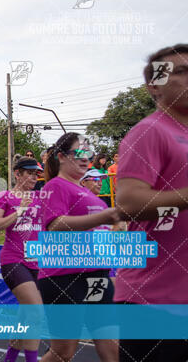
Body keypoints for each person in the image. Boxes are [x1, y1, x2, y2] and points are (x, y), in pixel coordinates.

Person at [114, 44, 188, 361]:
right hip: (153, 302)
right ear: (153, 86)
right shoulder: (150, 131)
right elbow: (129, 202)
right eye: (180, 71)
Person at [38, 133, 120, 362]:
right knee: (62, 352)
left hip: (97, 276)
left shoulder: (89, 193)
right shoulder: (55, 186)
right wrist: (107, 215)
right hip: (65, 277)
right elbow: (54, 225)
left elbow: (101, 231)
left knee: (113, 349)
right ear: (62, 157)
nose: (86, 158)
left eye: (89, 154)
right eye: (79, 153)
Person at [0, 156, 44, 362]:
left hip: (37, 262)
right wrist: (19, 210)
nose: (33, 177)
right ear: (17, 174)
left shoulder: (41, 197)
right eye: (29, 173)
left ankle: (9, 359)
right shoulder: (6, 196)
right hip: (13, 261)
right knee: (36, 312)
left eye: (36, 174)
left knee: (25, 316)